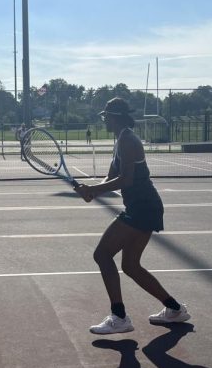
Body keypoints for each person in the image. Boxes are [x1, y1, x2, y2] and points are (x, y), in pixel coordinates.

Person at [75, 97, 190, 334]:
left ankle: (119, 317)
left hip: (143, 207)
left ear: (115, 117)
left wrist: (94, 191)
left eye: (106, 116)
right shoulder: (120, 140)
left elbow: (126, 180)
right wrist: (91, 191)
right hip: (143, 207)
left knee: (102, 254)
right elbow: (111, 179)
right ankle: (175, 309)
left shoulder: (128, 140)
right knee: (130, 265)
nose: (104, 119)